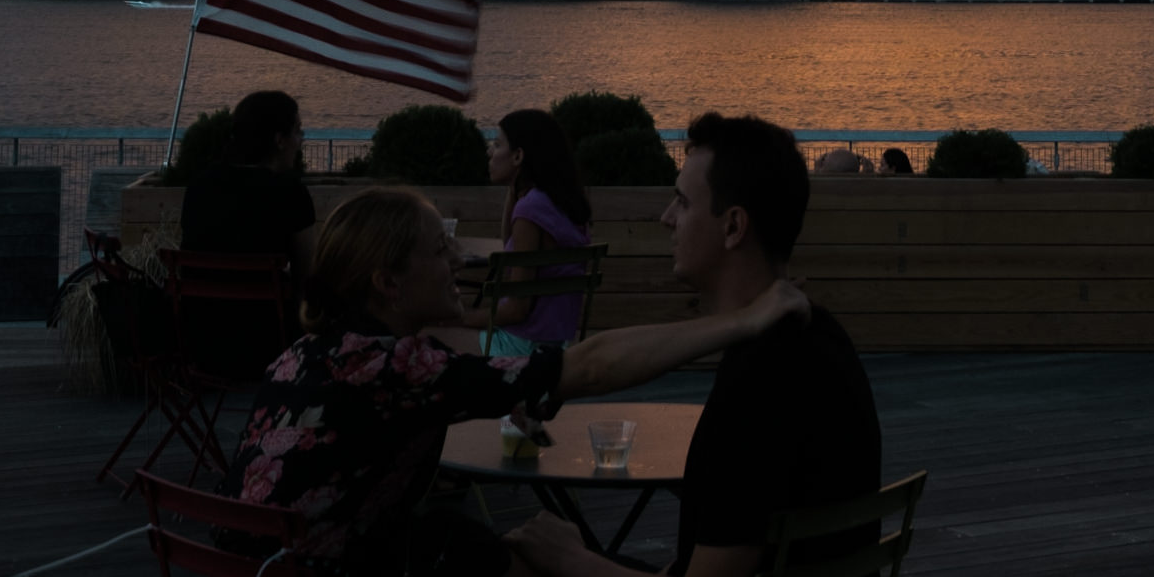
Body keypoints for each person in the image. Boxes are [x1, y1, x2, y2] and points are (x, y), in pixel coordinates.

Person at [220, 184, 808, 576]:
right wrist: (744, 321)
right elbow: (589, 364)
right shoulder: (397, 366)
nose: (459, 260)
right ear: (388, 284)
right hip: (322, 569)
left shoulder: (304, 354)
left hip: (247, 564)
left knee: (484, 544)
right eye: (439, 249)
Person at [510, 113, 881, 577]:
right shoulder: (819, 336)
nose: (667, 218)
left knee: (522, 561)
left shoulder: (759, 385)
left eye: (682, 203)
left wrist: (571, 559)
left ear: (733, 228)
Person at [180, 89, 316, 377]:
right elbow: (308, 276)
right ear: (279, 141)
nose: (302, 139)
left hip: (200, 342)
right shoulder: (290, 193)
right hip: (272, 346)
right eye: (298, 130)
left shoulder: (201, 186)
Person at [484, 109, 594, 354]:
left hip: (521, 347)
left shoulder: (531, 209)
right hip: (555, 345)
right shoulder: (560, 203)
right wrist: (514, 187)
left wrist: (459, 318)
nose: (490, 152)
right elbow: (510, 246)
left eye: (497, 144)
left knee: (427, 336)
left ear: (518, 156)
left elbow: (516, 309)